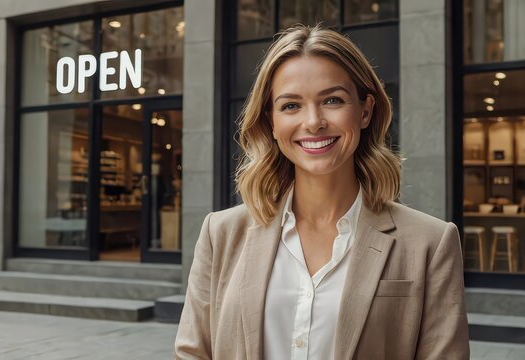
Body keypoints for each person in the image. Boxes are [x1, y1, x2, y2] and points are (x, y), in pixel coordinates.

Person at [174, 25, 469, 360]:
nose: (313, 122)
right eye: (290, 106)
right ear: (271, 120)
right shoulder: (222, 233)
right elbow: (192, 354)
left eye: (332, 100)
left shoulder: (430, 242)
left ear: (365, 111)